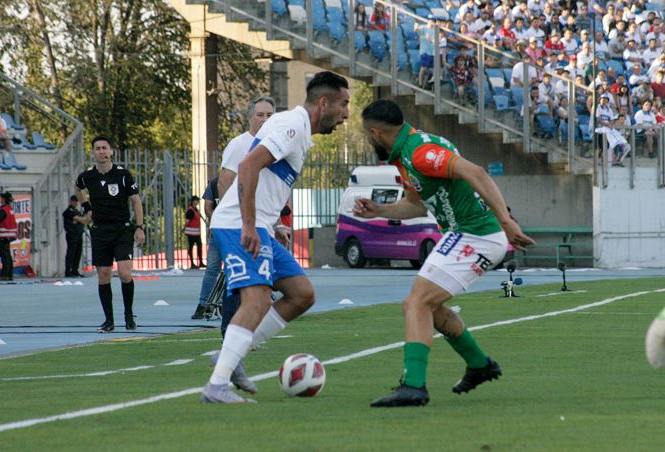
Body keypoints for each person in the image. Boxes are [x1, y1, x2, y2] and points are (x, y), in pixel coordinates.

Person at [356, 99, 534, 407]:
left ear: (376, 132)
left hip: (476, 234)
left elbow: (476, 172)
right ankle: (479, 365)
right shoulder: (406, 155)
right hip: (464, 233)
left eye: (367, 135)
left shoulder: (420, 153)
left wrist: (505, 220)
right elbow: (416, 204)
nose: (369, 140)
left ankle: (414, 387)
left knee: (415, 303)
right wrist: (379, 211)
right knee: (432, 309)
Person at [200, 71, 350, 404]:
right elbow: (250, 166)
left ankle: (233, 356)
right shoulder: (292, 127)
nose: (346, 115)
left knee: (301, 294)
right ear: (323, 102)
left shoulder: (296, 128)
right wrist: (251, 225)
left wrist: (269, 223)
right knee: (257, 300)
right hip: (238, 225)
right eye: (343, 104)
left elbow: (265, 178)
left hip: (259, 226)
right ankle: (217, 385)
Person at [191, 96, 276, 321]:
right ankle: (226, 325)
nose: (265, 119)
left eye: (269, 115)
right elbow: (224, 182)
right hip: (236, 224)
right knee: (232, 275)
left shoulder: (276, 146)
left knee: (259, 277)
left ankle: (249, 326)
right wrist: (235, 218)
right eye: (260, 115)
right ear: (250, 118)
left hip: (261, 224)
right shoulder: (239, 144)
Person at [75, 135, 146, 333]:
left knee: (124, 273)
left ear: (111, 151)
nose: (101, 151)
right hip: (100, 231)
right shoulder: (87, 176)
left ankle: (129, 315)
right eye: (97, 148)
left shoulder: (123, 175)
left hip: (122, 229)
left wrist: (139, 227)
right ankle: (109, 321)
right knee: (104, 275)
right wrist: (87, 206)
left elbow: (136, 201)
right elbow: (78, 187)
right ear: (93, 153)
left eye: (105, 148)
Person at [0, 192, 17, 281]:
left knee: (4, 255)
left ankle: (4, 275)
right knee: (7, 255)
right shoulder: (10, 209)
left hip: (2, 235)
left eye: (1, 198)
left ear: (4, 199)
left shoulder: (3, 210)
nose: (0, 200)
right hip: (9, 235)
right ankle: (9, 274)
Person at [62, 194, 87, 277]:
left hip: (78, 233)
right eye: (74, 201)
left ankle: (75, 270)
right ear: (71, 201)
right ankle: (68, 270)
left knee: (78, 252)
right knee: (71, 252)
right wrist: (79, 220)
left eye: (76, 201)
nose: (75, 203)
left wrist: (79, 220)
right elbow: (79, 219)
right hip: (71, 234)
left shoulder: (77, 211)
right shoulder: (68, 211)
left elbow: (83, 220)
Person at [184, 195, 205, 269]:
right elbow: (187, 221)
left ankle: (201, 262)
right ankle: (192, 263)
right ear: (193, 201)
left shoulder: (195, 209)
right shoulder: (190, 210)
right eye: (197, 200)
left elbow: (200, 216)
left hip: (196, 232)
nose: (198, 202)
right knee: (191, 247)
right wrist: (184, 228)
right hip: (191, 232)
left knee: (199, 246)